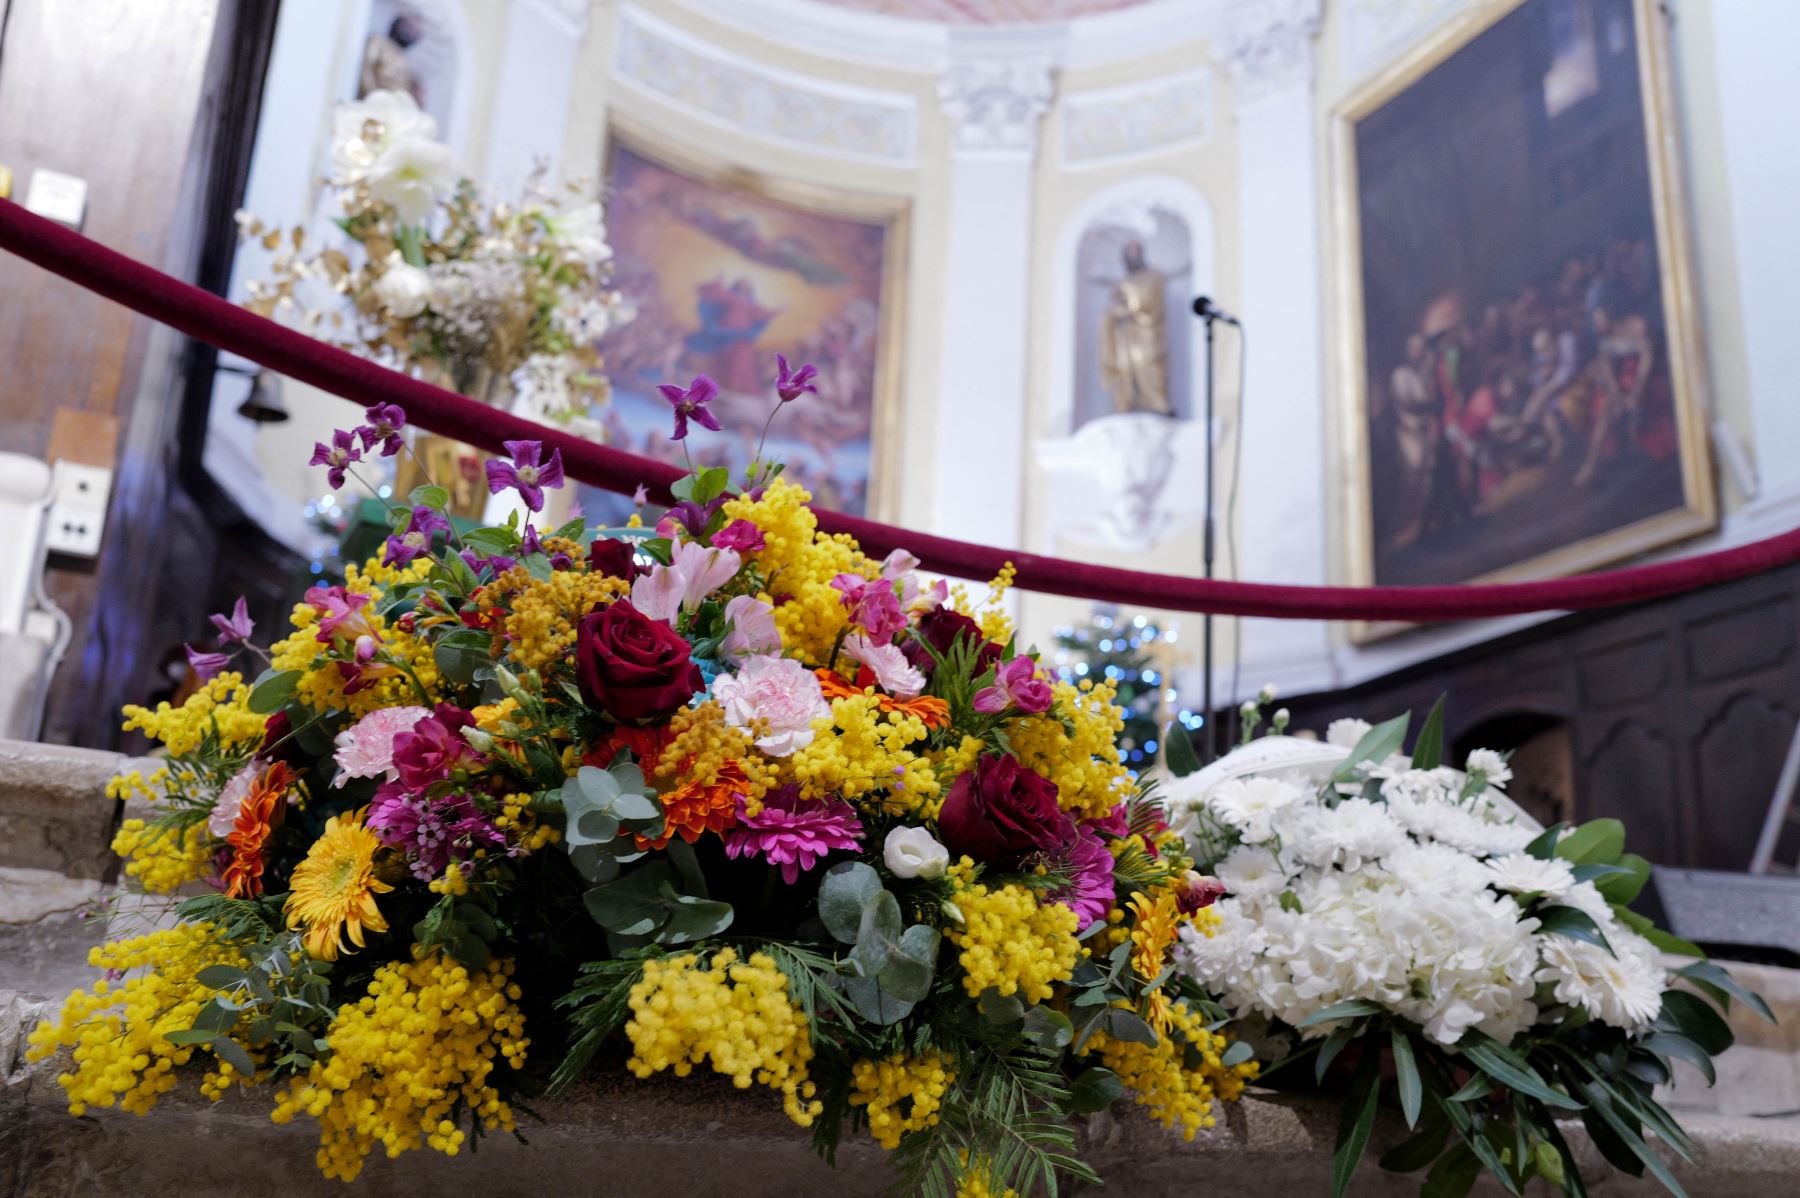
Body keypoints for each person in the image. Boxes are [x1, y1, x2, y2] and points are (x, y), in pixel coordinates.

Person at [1098, 240, 1172, 416]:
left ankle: (1156, 403)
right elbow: (1114, 310)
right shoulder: (1124, 281)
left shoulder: (1154, 276)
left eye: (1136, 252)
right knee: (1124, 370)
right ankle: (1126, 406)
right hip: (1125, 337)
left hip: (1147, 334)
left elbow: (1145, 302)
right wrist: (1114, 311)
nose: (1132, 256)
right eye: (1129, 253)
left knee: (1148, 365)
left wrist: (1125, 295)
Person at [1387, 334, 1439, 548]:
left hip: (1423, 430)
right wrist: (1427, 405)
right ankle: (1404, 525)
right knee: (1413, 473)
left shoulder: (1419, 372)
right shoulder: (1401, 374)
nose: (1418, 352)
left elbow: (1429, 397)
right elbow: (1412, 401)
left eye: (1421, 348)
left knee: (1426, 472)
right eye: (1414, 348)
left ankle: (1418, 523)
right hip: (1409, 432)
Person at [359, 15, 425, 104]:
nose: (411, 32)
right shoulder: (379, 42)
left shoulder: (405, 61)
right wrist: (371, 96)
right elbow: (365, 67)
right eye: (410, 26)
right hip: (370, 100)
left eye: (416, 30)